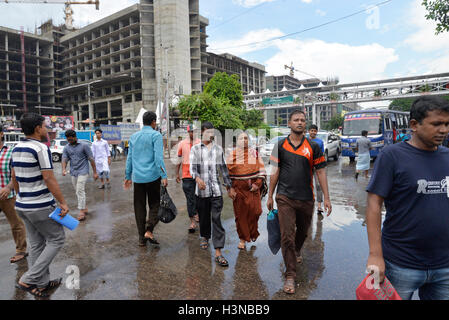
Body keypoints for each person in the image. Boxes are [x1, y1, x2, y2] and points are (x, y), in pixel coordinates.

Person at [365, 96, 449, 300]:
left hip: (445, 265)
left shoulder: (447, 156)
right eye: (437, 124)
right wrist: (375, 255)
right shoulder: (392, 156)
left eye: (447, 124)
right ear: (414, 125)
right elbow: (374, 204)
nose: (444, 130)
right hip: (401, 263)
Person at [267, 110, 332, 294]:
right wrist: (270, 195)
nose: (300, 122)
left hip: (306, 198)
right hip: (284, 197)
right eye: (296, 120)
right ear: (289, 123)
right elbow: (275, 172)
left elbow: (320, 172)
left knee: (302, 233)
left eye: (303, 120)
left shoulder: (314, 146)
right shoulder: (279, 146)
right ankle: (290, 275)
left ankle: (296, 250)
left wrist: (326, 197)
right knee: (286, 235)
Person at [12, 113, 69, 298]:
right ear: (37, 128)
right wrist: (62, 202)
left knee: (37, 244)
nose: (47, 129)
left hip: (22, 205)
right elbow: (49, 178)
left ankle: (42, 283)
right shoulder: (40, 149)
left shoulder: (17, 147)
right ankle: (28, 278)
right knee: (57, 239)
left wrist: (22, 196)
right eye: (45, 126)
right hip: (39, 205)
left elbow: (14, 177)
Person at [189, 122, 233, 267]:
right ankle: (205, 236)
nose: (211, 134)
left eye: (213, 132)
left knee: (216, 218)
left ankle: (219, 252)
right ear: (202, 132)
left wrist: (229, 186)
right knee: (204, 217)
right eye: (208, 132)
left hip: (216, 190)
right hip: (201, 191)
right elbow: (192, 168)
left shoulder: (218, 149)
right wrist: (197, 178)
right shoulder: (195, 149)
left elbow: (223, 169)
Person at [124, 111, 168, 247]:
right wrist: (164, 175)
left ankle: (141, 239)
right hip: (153, 177)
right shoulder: (156, 135)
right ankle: (149, 230)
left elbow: (129, 158)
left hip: (138, 178)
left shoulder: (134, 137)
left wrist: (127, 176)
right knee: (155, 204)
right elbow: (158, 158)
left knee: (139, 207)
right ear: (154, 122)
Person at [227, 131, 266, 250]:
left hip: (253, 189)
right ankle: (242, 239)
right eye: (241, 139)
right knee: (241, 216)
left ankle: (253, 232)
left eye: (245, 139)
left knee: (257, 212)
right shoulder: (232, 155)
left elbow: (262, 170)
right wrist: (230, 189)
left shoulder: (254, 154)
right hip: (238, 191)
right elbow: (226, 174)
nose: (244, 141)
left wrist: (257, 184)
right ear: (236, 141)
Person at [0, 126, 28, 263]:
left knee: (16, 224)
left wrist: (8, 187)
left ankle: (21, 250)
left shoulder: (10, 151)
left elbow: (16, 174)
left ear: (1, 134)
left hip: (8, 195)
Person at [62, 130, 99, 221]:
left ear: (75, 137)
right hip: (73, 172)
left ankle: (81, 211)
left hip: (83, 171)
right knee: (78, 191)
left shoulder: (84, 145)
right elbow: (64, 159)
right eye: (68, 140)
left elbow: (91, 159)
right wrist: (63, 169)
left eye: (71, 139)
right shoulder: (66, 147)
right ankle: (84, 207)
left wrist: (95, 172)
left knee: (79, 190)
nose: (69, 141)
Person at [176, 125, 200, 233]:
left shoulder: (200, 143)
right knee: (190, 199)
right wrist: (177, 173)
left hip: (199, 175)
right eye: (191, 131)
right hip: (186, 175)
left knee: (198, 197)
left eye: (194, 131)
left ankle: (197, 214)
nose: (192, 133)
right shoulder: (182, 144)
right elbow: (179, 159)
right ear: (188, 132)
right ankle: (192, 222)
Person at [308, 124, 325, 218]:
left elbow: (321, 155)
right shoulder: (304, 141)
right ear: (308, 131)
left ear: (316, 132)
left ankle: (319, 205)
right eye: (311, 130)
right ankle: (308, 203)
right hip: (307, 167)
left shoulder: (320, 142)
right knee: (307, 185)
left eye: (315, 131)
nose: (313, 132)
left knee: (319, 185)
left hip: (317, 167)